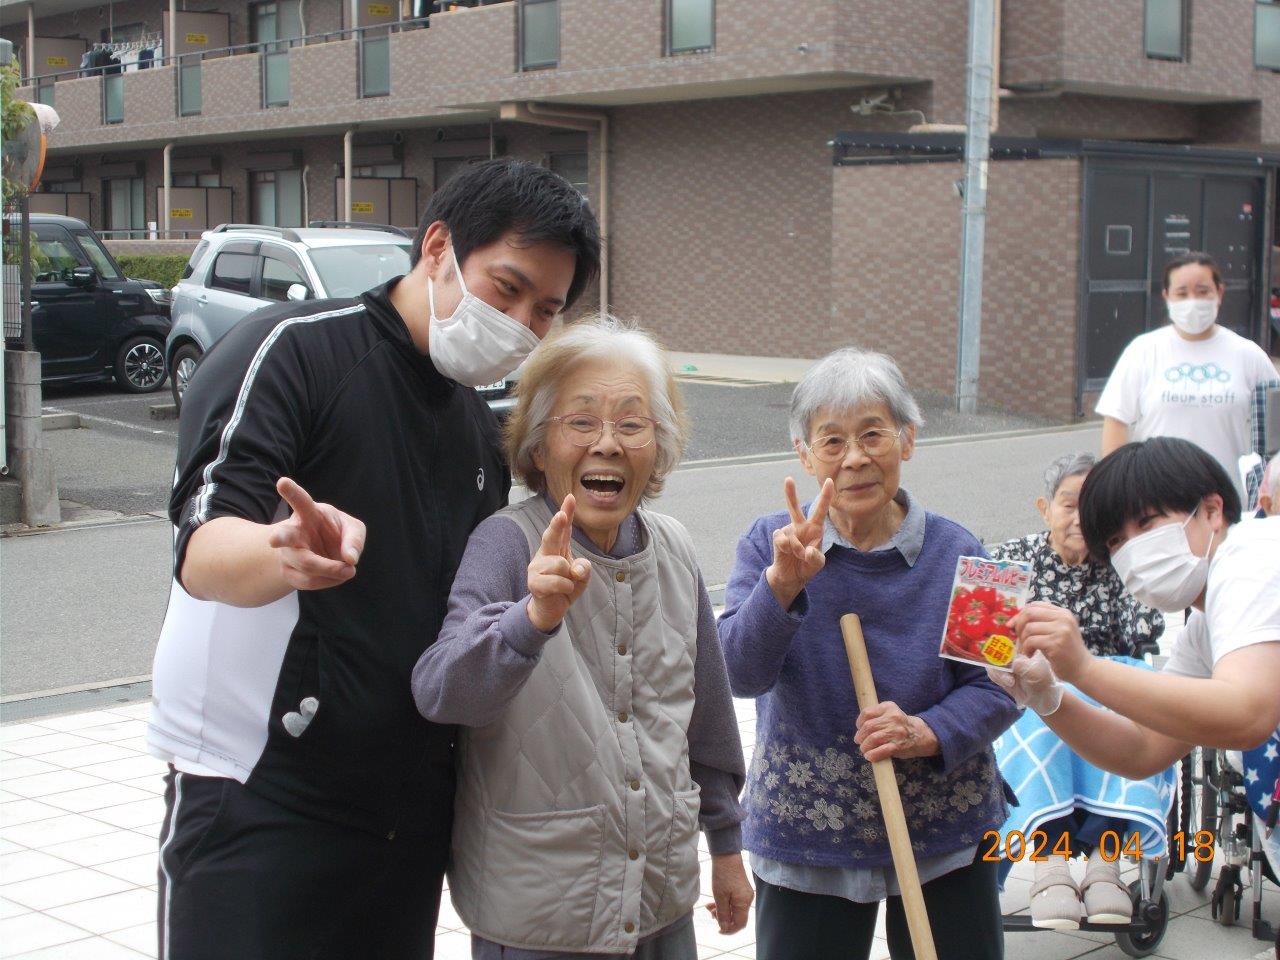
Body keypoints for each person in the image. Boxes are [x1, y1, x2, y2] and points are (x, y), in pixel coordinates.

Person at [148, 159, 601, 960]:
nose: (523, 324)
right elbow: (202, 547)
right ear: (437, 247)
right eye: (507, 288)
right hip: (259, 796)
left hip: (405, 813)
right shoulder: (294, 353)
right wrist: (280, 551)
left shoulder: (473, 426)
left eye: (545, 311)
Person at [412, 316, 753, 959]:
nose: (608, 443)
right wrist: (531, 618)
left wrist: (728, 848)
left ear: (659, 445)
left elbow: (706, 718)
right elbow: (440, 691)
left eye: (632, 422)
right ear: (539, 448)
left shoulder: (675, 549)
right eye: (581, 422)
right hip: (539, 916)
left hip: (660, 901)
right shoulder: (506, 545)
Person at [718, 348, 1019, 960]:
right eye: (832, 441)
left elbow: (1003, 685)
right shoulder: (768, 542)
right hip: (809, 832)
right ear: (804, 455)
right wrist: (783, 588)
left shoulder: (969, 552)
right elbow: (737, 675)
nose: (854, 457)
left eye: (873, 434)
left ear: (907, 440)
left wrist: (926, 731)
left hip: (947, 832)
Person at [992, 437, 1280, 783]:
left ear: (1211, 511)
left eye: (1146, 523)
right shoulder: (1203, 627)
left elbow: (1246, 715)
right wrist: (1048, 698)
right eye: (1116, 541)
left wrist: (1083, 667)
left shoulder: (1253, 557)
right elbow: (1143, 750)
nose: (1133, 548)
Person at [990, 453, 1169, 930]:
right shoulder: (1012, 561)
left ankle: (1104, 865)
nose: (1080, 518)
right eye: (1069, 504)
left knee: (1124, 702)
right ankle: (1051, 866)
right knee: (1041, 711)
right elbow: (986, 638)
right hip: (1033, 692)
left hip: (1108, 689)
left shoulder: (1122, 560)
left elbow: (1142, 643)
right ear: (1044, 508)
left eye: (1094, 507)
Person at [1096, 251, 1277, 505]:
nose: (1193, 301)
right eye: (1182, 293)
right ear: (1167, 296)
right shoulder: (1143, 351)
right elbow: (1116, 422)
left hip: (1228, 504)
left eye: (1203, 291)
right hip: (1155, 503)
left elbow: (1274, 434)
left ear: (1220, 293)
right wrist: (1117, 491)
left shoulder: (1249, 356)